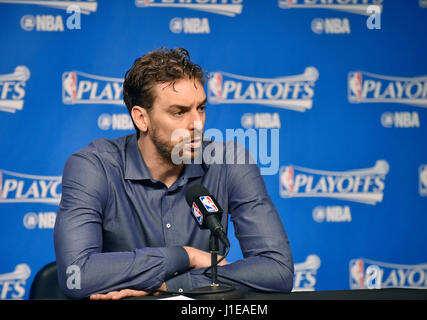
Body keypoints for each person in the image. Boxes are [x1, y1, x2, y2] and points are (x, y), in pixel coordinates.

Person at [54, 47, 293, 300]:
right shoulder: (93, 167)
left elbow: (277, 270)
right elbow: (75, 275)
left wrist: (176, 285)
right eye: (179, 112)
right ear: (141, 118)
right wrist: (185, 256)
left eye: (200, 108)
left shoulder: (229, 162)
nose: (196, 124)